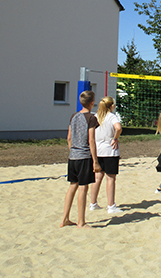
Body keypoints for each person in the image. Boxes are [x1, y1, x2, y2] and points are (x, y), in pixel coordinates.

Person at [60, 90, 101, 228]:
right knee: (83, 188)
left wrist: (73, 150)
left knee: (72, 186)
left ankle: (65, 218)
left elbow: (69, 138)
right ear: (92, 102)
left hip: (73, 156)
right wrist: (95, 160)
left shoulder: (74, 116)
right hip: (84, 156)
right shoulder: (91, 118)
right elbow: (91, 140)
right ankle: (81, 222)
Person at [89, 96, 123, 214]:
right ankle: (111, 206)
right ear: (111, 106)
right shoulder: (111, 116)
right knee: (111, 178)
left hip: (97, 150)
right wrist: (115, 138)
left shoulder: (96, 116)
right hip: (110, 150)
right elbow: (118, 128)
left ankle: (93, 203)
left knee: (97, 177)